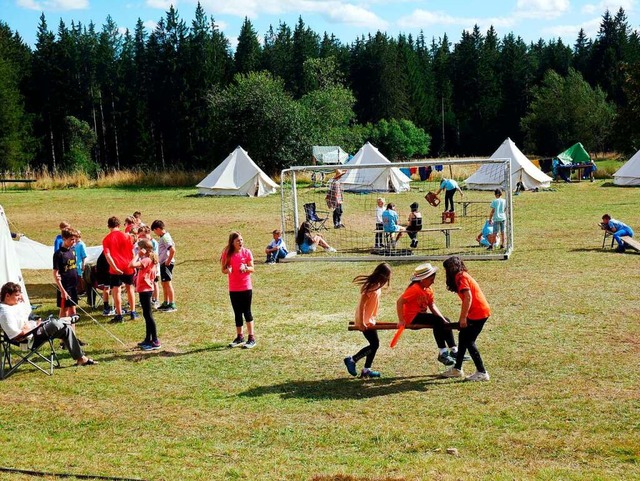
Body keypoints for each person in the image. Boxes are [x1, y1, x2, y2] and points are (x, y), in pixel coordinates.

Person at [0, 282, 96, 366]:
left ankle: (81, 359)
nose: (20, 297)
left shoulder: (13, 305)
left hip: (34, 330)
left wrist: (36, 321)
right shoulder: (5, 313)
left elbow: (26, 318)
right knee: (54, 323)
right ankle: (66, 319)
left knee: (66, 329)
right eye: (17, 295)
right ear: (7, 296)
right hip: (29, 338)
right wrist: (34, 327)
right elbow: (16, 335)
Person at [396, 263, 460, 367]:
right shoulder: (414, 289)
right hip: (412, 317)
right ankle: (443, 352)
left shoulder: (428, 290)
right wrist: (401, 320)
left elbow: (432, 305)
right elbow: (399, 302)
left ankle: (454, 350)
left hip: (421, 316)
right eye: (431, 279)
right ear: (423, 279)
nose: (433, 282)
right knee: (437, 321)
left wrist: (443, 319)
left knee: (444, 320)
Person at [441, 256, 491, 381]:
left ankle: (482, 372)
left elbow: (468, 297)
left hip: (478, 313)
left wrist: (463, 318)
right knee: (463, 338)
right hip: (477, 312)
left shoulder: (461, 277)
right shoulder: (462, 275)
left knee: (469, 341)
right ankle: (457, 369)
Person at [343, 262, 392, 379]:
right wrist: (361, 322)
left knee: (374, 345)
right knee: (375, 344)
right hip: (365, 321)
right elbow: (362, 306)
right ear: (382, 275)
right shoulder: (371, 287)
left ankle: (366, 370)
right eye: (388, 276)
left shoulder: (377, 285)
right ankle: (352, 359)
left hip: (370, 320)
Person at [221, 231, 256, 349]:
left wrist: (246, 268)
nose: (240, 242)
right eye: (238, 241)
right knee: (237, 313)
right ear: (232, 242)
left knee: (247, 312)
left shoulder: (247, 252)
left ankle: (251, 338)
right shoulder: (227, 253)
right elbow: (223, 269)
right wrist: (228, 270)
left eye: (241, 240)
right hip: (234, 288)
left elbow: (252, 268)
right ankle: (239, 336)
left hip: (246, 287)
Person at [102, 216, 137, 323]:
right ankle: (133, 312)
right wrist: (133, 264)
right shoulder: (127, 237)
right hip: (128, 265)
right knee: (130, 288)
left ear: (109, 226)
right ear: (119, 225)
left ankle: (119, 315)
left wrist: (115, 268)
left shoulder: (106, 239)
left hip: (115, 267)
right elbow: (132, 252)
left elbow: (108, 256)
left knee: (116, 291)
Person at [129, 239, 161, 350]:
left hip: (145, 290)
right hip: (146, 289)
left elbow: (131, 264)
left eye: (138, 248)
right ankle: (148, 339)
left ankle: (155, 340)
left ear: (143, 249)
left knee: (148, 315)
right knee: (146, 315)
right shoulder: (150, 259)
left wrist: (138, 255)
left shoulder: (146, 260)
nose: (137, 250)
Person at [53, 228, 79, 320]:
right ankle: (62, 332)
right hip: (65, 287)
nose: (73, 241)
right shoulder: (59, 254)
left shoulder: (72, 250)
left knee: (73, 312)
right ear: (64, 239)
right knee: (65, 311)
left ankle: (73, 333)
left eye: (74, 239)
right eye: (71, 239)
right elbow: (55, 273)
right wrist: (62, 291)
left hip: (73, 286)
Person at [151, 220, 177, 312]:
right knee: (164, 283)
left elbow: (172, 250)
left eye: (154, 231)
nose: (155, 233)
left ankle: (172, 304)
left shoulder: (165, 237)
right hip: (163, 263)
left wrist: (168, 261)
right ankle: (166, 302)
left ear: (158, 229)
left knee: (168, 283)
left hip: (166, 264)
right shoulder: (163, 237)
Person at [74, 230, 88, 295]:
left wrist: (83, 264)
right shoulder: (74, 244)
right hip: (74, 264)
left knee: (80, 278)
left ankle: (82, 290)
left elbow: (84, 256)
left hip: (79, 264)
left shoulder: (81, 244)